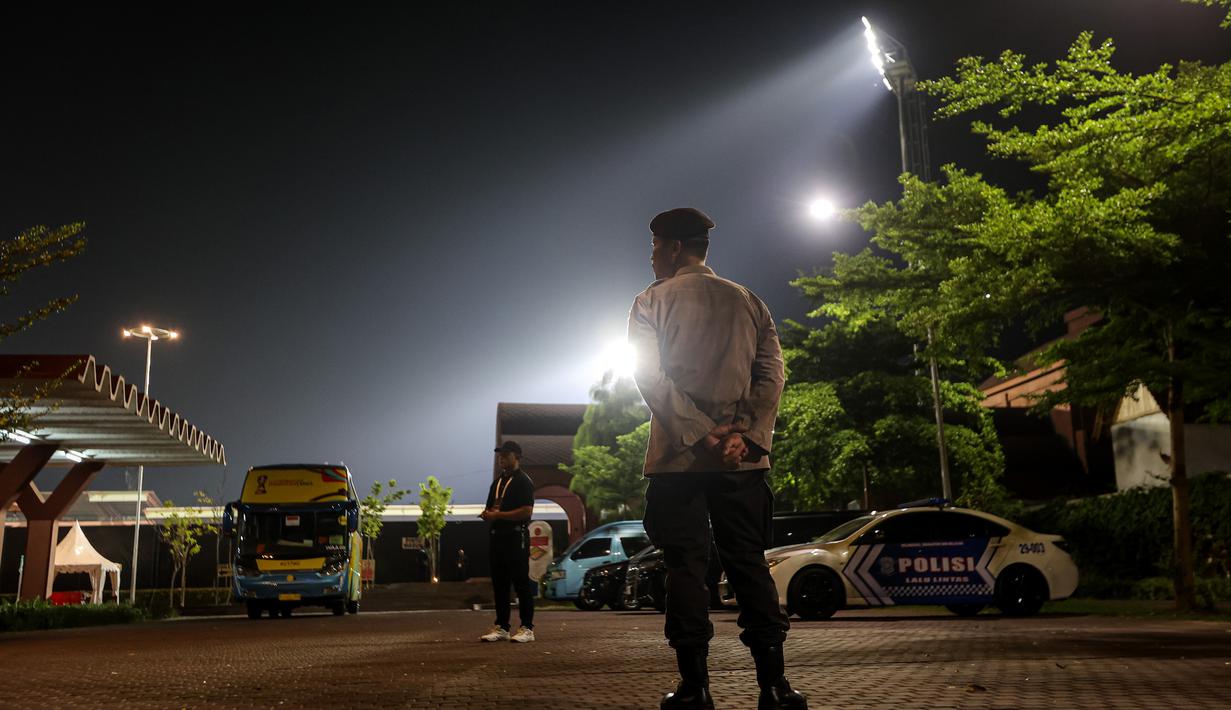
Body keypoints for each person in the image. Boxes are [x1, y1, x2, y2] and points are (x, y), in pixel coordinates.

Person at [628, 207, 805, 710]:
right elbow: (771, 376)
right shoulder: (749, 300)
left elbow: (650, 380)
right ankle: (774, 687)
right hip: (741, 464)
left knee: (685, 566)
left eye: (656, 247)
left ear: (675, 247)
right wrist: (742, 436)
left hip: (676, 464)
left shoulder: (649, 303)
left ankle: (694, 689)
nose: (653, 256)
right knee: (749, 563)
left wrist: (701, 434)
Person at [478, 440, 536, 643]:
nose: (501, 457)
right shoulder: (497, 482)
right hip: (498, 537)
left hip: (515, 536)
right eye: (499, 455)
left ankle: (527, 628)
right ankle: (502, 627)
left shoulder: (523, 481)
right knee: (499, 584)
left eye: (506, 454)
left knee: (521, 583)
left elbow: (527, 511)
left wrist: (498, 515)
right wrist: (488, 514)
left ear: (517, 457)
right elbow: (493, 508)